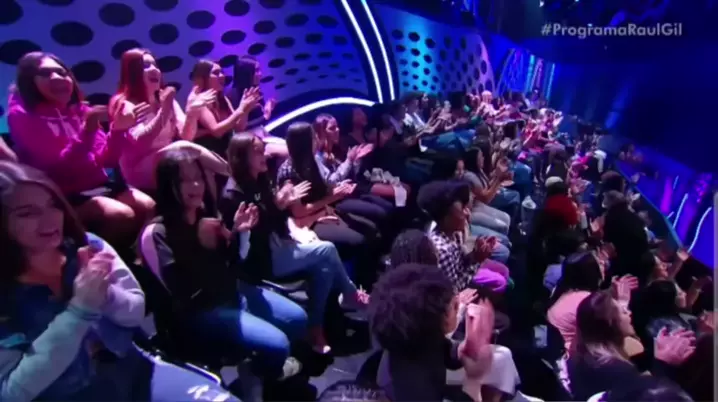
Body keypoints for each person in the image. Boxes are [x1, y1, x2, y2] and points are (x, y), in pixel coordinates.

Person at [0, 161, 238, 401]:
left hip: (134, 370)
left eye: (52, 205)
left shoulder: (87, 245)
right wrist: (79, 312)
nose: (49, 219)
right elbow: (11, 393)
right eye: (27, 213)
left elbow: (134, 312)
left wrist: (106, 294)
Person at [138, 149, 307, 394]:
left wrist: (241, 233)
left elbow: (234, 261)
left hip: (232, 292)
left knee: (298, 319)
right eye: (185, 180)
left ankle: (258, 363)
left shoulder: (205, 215)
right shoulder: (156, 234)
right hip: (200, 312)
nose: (196, 185)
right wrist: (202, 249)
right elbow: (182, 292)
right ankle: (256, 371)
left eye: (198, 177)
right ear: (168, 185)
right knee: (279, 345)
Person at [219, 133, 367, 354]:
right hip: (261, 259)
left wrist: (281, 208)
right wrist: (278, 206)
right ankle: (349, 295)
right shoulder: (233, 194)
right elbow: (246, 240)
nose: (264, 155)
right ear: (242, 156)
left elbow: (278, 221)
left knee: (324, 267)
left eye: (263, 150)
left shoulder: (262, 179)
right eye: (257, 152)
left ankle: (316, 327)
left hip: (281, 243)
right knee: (326, 249)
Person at [7, 51, 155, 247]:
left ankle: (140, 257)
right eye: (45, 73)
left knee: (149, 207)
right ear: (29, 82)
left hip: (98, 185)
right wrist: (87, 131)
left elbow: (108, 160)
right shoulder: (21, 116)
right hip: (62, 194)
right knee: (121, 215)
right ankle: (87, 258)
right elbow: (59, 168)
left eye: (62, 72)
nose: (57, 78)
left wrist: (118, 130)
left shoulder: (81, 110)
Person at [369, 263, 496, 401]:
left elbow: (441, 350)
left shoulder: (413, 339)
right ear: (435, 320)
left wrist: (462, 350)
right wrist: (475, 378)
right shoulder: (414, 391)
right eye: (454, 306)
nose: (459, 305)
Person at [109, 48, 229, 192]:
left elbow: (187, 136)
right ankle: (234, 173)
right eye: (146, 66)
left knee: (201, 168)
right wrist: (164, 111)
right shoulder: (126, 104)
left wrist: (192, 112)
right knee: (182, 148)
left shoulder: (166, 98)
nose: (154, 69)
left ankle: (216, 204)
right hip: (139, 169)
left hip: (168, 161)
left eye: (155, 65)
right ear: (133, 73)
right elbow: (142, 143)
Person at [278, 121, 380, 285]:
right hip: (308, 221)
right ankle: (359, 286)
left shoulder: (312, 161)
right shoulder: (288, 172)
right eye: (313, 137)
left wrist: (338, 189)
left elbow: (327, 184)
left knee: (372, 229)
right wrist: (332, 198)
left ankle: (371, 278)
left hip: (325, 209)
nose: (317, 140)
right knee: (358, 241)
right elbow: (299, 211)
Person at [567, 291, 695, 401]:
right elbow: (646, 397)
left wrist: (658, 353)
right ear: (611, 324)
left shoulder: (582, 354)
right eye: (624, 312)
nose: (629, 313)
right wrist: (663, 364)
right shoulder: (619, 371)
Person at [417, 180, 510, 293]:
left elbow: (461, 263)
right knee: (501, 281)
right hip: (455, 294)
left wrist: (476, 253)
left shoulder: (453, 232)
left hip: (464, 273)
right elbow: (454, 289)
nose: (467, 213)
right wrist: (477, 261)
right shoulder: (442, 251)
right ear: (446, 219)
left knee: (505, 272)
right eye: (461, 210)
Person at [186, 59, 262, 157]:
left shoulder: (222, 98)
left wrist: (246, 110)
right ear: (203, 78)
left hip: (228, 149)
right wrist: (241, 109)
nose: (222, 76)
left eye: (222, 72)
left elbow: (239, 128)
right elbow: (217, 131)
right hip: (210, 154)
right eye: (216, 73)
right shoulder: (199, 101)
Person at [227, 56, 287, 158]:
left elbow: (260, 121)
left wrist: (267, 111)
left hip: (261, 134)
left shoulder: (255, 90)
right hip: (248, 142)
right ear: (246, 74)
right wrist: (245, 110)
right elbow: (239, 130)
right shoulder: (233, 96)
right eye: (257, 71)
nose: (260, 74)